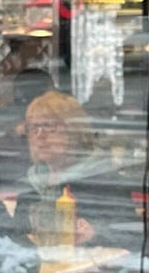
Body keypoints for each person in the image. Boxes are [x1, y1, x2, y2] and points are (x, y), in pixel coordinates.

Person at [12, 91, 130, 249]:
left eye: (48, 126)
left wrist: (94, 234)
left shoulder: (102, 179)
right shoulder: (33, 181)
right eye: (34, 128)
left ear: (74, 130)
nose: (39, 136)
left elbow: (129, 236)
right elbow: (12, 235)